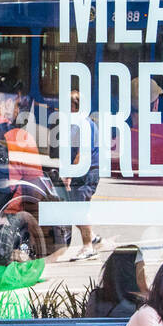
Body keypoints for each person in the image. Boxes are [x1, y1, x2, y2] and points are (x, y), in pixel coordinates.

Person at [64, 89, 101, 261]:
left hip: (87, 172)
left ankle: (88, 247)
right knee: (74, 210)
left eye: (69, 104)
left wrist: (71, 173)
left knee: (79, 210)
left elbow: (81, 153)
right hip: (84, 171)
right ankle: (92, 237)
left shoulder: (83, 125)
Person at [84, 245, 147, 318]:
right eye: (142, 269)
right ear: (131, 274)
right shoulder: (139, 305)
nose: (145, 275)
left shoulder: (96, 297)